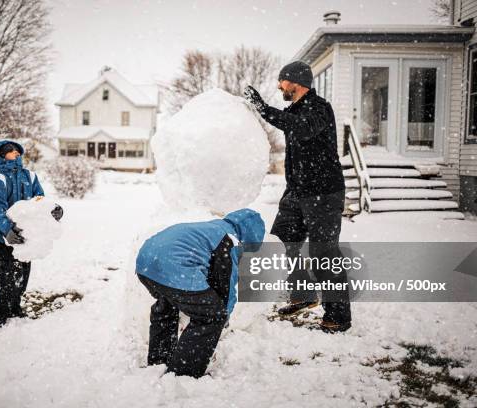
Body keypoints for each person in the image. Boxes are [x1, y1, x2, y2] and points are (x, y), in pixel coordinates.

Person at [243, 61, 351, 333]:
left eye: (282, 81)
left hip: (323, 192)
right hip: (297, 191)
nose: (279, 86)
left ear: (296, 82)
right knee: (284, 241)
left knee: (323, 253)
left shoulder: (319, 109)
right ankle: (303, 295)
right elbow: (292, 123)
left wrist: (263, 109)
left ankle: (338, 315)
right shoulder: (296, 110)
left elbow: (300, 127)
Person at [135, 209, 265, 378]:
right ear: (251, 237)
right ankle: (183, 374)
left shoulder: (212, 228)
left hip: (146, 264)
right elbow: (226, 286)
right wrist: (223, 317)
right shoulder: (231, 239)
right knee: (211, 316)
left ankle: (160, 361)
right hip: (173, 267)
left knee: (168, 306)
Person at [0, 139, 63, 326]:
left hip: (27, 235)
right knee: (9, 272)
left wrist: (55, 210)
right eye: (10, 151)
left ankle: (14, 307)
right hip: (3, 236)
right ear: (1, 156)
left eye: (16, 150)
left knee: (23, 273)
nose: (16, 153)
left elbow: (40, 201)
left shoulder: (30, 176)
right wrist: (7, 230)